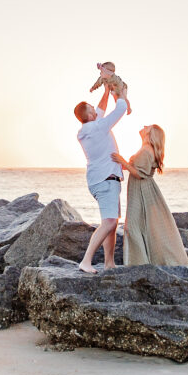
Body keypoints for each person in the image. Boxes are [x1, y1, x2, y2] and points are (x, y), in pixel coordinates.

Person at [111, 125, 188, 266]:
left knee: (133, 226)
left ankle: (138, 263)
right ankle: (144, 260)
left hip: (141, 190)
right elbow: (138, 169)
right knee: (145, 226)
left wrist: (122, 161)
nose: (144, 126)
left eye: (147, 126)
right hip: (144, 189)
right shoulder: (146, 149)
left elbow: (140, 174)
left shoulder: (146, 151)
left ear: (151, 133)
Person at [74, 83, 129, 273]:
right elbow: (120, 109)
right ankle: (86, 261)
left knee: (111, 224)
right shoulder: (97, 127)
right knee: (110, 223)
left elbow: (100, 109)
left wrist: (105, 92)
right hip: (105, 181)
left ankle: (109, 263)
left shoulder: (89, 129)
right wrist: (120, 93)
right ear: (89, 116)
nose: (96, 111)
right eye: (92, 110)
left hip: (106, 180)